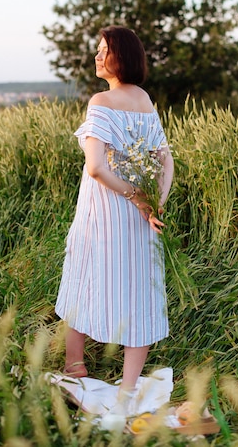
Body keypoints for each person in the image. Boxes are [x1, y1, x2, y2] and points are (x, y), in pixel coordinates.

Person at [55, 25, 174, 413]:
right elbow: (166, 159)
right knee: (139, 291)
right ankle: (126, 390)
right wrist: (156, 202)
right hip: (141, 218)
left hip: (104, 211)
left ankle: (76, 366)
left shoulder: (101, 100)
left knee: (84, 275)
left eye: (103, 49)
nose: (96, 55)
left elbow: (95, 168)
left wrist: (139, 198)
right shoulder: (144, 100)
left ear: (120, 56)